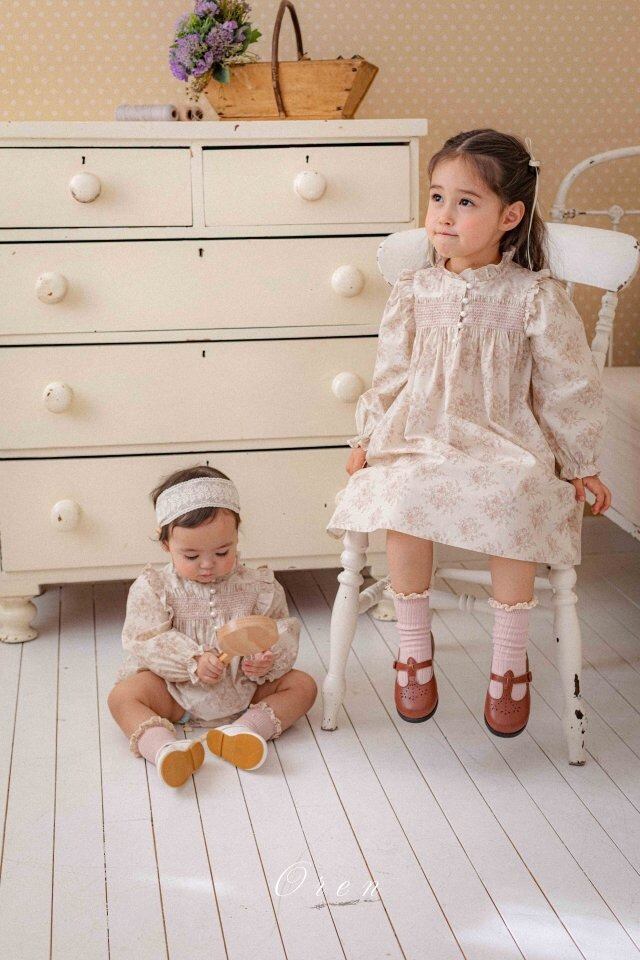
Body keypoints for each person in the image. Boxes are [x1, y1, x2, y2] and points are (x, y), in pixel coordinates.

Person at [326, 128, 611, 738]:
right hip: (419, 435)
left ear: (509, 216)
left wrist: (578, 460)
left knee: (516, 495)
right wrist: (368, 437)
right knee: (402, 495)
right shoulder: (414, 290)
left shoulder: (533, 297)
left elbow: (566, 384)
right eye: (437, 197)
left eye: (465, 202)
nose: (444, 215)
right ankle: (413, 648)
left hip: (504, 438)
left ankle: (509, 660)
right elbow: (392, 374)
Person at [108, 465, 317, 787]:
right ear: (166, 544)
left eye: (222, 552)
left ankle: (244, 731)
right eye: (191, 556)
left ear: (236, 537)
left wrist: (265, 657)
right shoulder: (155, 587)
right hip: (174, 693)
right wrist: (191, 660)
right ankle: (165, 748)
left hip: (246, 687)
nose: (207, 565)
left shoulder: (258, 586)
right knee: (123, 696)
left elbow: (277, 628)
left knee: (304, 686)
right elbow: (147, 638)